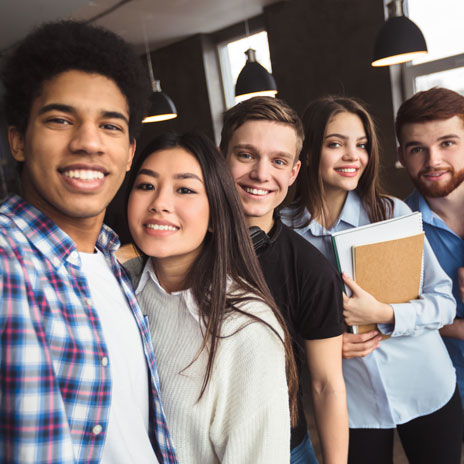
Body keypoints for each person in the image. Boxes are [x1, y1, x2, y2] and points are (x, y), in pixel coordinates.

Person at [0, 21, 177, 463]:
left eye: (110, 126)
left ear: (130, 152)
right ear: (18, 140)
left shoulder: (110, 262)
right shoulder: (8, 261)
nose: (89, 143)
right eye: (60, 120)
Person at [284, 95, 462, 464]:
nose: (353, 156)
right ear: (310, 149)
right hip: (352, 407)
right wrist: (315, 345)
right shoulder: (283, 232)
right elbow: (277, 321)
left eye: (361, 145)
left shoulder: (391, 213)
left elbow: (443, 303)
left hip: (427, 386)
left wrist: (386, 312)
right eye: (336, 144)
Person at [124, 132, 298, 464]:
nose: (160, 203)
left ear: (217, 211)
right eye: (146, 186)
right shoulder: (120, 291)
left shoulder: (245, 327)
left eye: (185, 190)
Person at [220, 96, 348, 464]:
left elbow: (326, 386)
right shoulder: (179, 245)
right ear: (219, 158)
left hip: (283, 449)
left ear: (293, 172)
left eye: (278, 161)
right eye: (245, 155)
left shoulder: (310, 269)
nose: (261, 174)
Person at [396, 87, 464, 436]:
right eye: (417, 149)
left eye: (447, 143)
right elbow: (392, 319)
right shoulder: (393, 230)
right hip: (441, 396)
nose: (433, 160)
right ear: (401, 156)